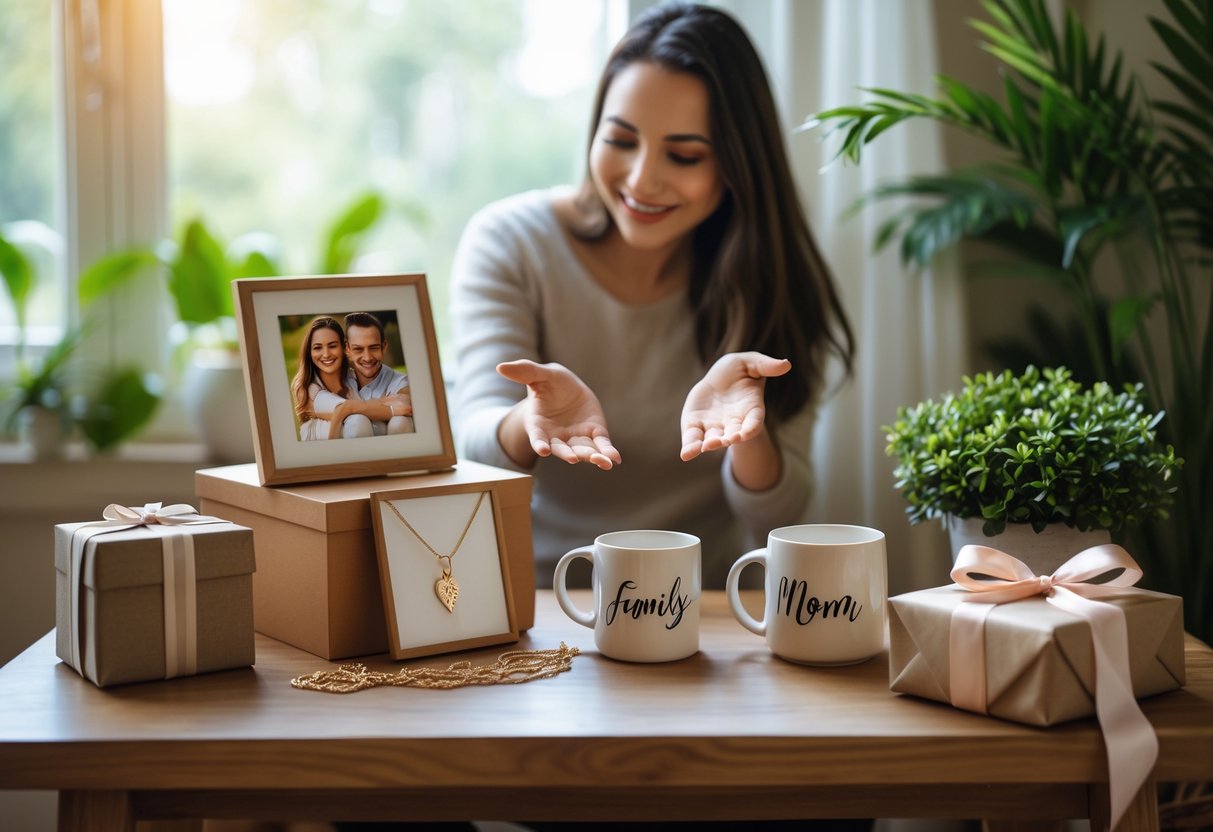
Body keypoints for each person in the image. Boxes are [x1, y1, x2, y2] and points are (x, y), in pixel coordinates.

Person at [450, 2, 855, 590]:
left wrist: (749, 432)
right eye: (620, 139)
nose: (641, 179)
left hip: (703, 610)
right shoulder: (510, 243)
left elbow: (778, 512)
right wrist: (528, 418)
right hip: (532, 601)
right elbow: (474, 456)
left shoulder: (772, 276)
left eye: (684, 155)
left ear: (737, 163)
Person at [317, 311, 415, 438]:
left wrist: (347, 408)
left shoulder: (399, 381)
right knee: (357, 421)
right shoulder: (337, 378)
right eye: (358, 349)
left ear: (383, 347)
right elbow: (315, 404)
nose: (367, 358)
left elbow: (405, 405)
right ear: (347, 349)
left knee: (401, 421)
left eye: (373, 348)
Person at [290, 316, 354, 441]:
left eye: (332, 346)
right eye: (317, 348)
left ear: (344, 347)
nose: (326, 354)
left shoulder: (354, 378)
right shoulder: (306, 387)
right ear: (309, 352)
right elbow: (355, 415)